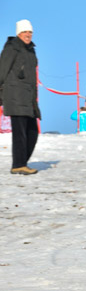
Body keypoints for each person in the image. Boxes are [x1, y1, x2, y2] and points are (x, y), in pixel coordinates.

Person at [0, 19, 40, 175]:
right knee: (20, 133)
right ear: (18, 33)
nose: (28, 35)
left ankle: (21, 162)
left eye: (30, 32)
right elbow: (2, 71)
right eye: (25, 32)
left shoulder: (31, 51)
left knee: (32, 132)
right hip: (15, 96)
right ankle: (18, 164)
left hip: (28, 98)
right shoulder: (12, 48)